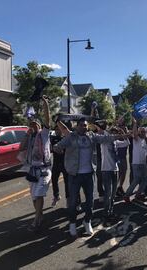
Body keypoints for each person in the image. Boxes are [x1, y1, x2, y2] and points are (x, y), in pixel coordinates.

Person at [54, 118, 125, 237]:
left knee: (90, 201)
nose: (84, 127)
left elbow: (106, 138)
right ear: (77, 127)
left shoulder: (91, 136)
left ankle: (87, 221)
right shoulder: (71, 137)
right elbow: (59, 145)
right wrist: (57, 148)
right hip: (74, 175)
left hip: (89, 174)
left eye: (86, 126)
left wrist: (125, 135)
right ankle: (72, 223)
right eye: (82, 125)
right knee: (72, 202)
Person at [19, 96, 51, 232]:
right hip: (32, 170)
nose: (33, 127)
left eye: (35, 125)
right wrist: (27, 135)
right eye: (31, 125)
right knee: (33, 197)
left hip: (43, 170)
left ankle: (36, 220)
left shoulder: (44, 134)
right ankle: (40, 215)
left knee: (38, 195)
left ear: (40, 126)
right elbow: (21, 148)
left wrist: (45, 103)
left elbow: (47, 118)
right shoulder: (30, 136)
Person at [124, 117, 147, 202]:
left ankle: (138, 195)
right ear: (138, 132)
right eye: (141, 131)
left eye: (144, 132)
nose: (143, 133)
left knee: (145, 179)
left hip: (143, 163)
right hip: (136, 163)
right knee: (137, 179)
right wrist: (134, 123)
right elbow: (134, 133)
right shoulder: (136, 140)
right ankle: (127, 195)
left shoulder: (144, 141)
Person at [50, 121, 70, 207]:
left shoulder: (65, 138)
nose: (58, 131)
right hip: (56, 163)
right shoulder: (52, 138)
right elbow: (51, 149)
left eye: (59, 129)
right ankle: (56, 196)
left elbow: (63, 150)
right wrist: (55, 148)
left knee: (67, 182)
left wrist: (57, 149)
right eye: (56, 129)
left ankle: (68, 199)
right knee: (54, 180)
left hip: (65, 163)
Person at [115, 127, 130, 197]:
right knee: (119, 174)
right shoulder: (116, 142)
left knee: (123, 174)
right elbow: (126, 143)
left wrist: (124, 133)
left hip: (124, 159)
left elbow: (127, 143)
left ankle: (120, 187)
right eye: (119, 133)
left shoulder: (124, 141)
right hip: (118, 159)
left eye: (121, 133)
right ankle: (115, 189)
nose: (120, 134)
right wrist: (122, 134)